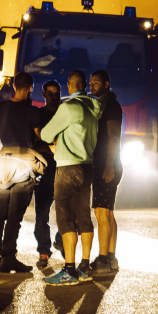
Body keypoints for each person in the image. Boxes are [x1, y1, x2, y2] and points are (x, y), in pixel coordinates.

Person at [0, 72, 44, 273]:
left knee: (1, 209)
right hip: (23, 162)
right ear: (31, 88)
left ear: (14, 86)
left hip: (3, 161)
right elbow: (39, 138)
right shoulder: (33, 112)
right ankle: (9, 257)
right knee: (15, 214)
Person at [40, 70, 102, 286]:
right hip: (87, 167)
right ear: (84, 85)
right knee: (84, 217)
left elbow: (45, 134)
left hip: (68, 167)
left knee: (65, 218)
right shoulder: (94, 107)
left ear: (69, 85)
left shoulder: (68, 107)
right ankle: (84, 266)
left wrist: (59, 136)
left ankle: (69, 270)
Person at [88, 70, 124, 274]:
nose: (91, 86)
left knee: (101, 212)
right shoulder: (102, 104)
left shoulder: (110, 106)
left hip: (107, 165)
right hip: (106, 164)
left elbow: (114, 136)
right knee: (108, 212)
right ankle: (111, 257)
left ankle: (102, 260)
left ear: (106, 84)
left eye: (96, 82)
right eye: (90, 82)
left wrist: (109, 165)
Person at [33, 79, 61, 268]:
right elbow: (34, 142)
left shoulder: (64, 113)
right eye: (50, 94)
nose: (54, 97)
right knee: (41, 214)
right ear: (43, 95)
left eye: (56, 93)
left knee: (67, 212)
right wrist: (50, 149)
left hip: (63, 170)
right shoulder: (39, 115)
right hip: (44, 171)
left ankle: (61, 241)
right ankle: (44, 251)